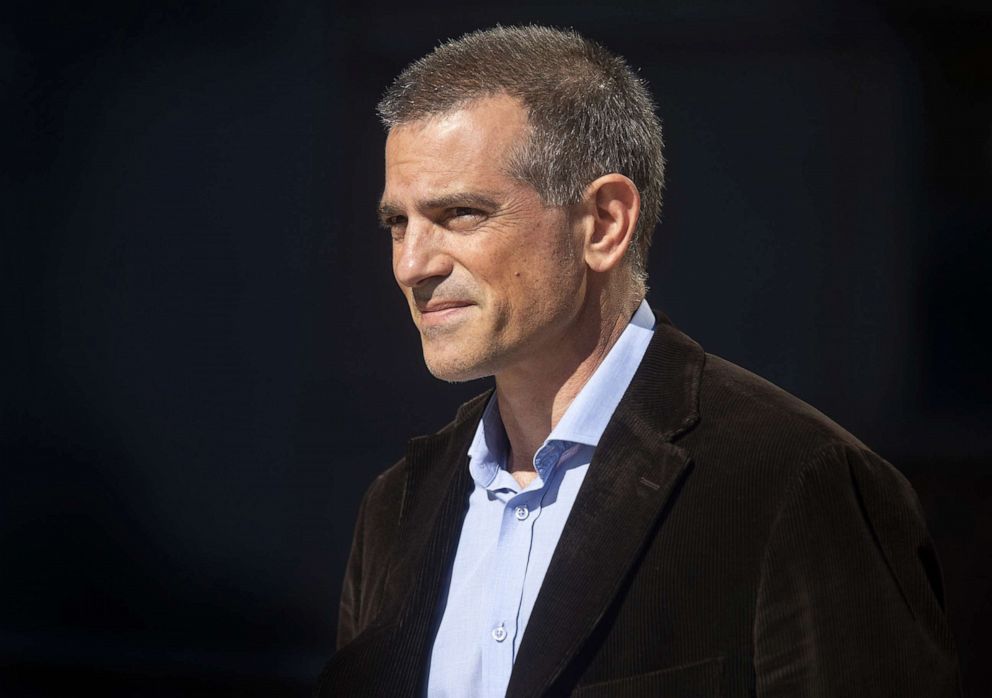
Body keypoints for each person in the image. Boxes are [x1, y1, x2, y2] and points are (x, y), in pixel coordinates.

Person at [315, 25, 960, 697]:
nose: (412, 264)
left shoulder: (795, 483)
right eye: (398, 223)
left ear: (604, 222)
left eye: (459, 213)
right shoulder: (398, 505)